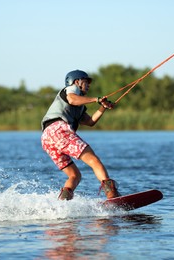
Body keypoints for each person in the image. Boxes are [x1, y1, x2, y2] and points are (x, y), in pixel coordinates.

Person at [41, 69, 121, 200]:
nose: (89, 85)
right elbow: (72, 99)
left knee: (74, 176)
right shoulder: (71, 89)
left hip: (47, 139)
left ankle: (62, 204)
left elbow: (90, 122)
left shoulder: (80, 107)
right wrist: (96, 99)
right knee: (94, 160)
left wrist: (103, 107)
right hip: (58, 130)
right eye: (86, 81)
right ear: (76, 82)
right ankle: (112, 195)